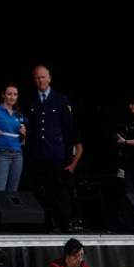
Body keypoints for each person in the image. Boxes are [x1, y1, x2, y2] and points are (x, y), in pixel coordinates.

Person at [24, 65, 77, 231]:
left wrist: (68, 156)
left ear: (49, 78)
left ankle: (64, 223)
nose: (40, 80)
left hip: (55, 152)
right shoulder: (30, 99)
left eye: (43, 77)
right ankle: (43, 223)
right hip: (37, 153)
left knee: (58, 190)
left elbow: (68, 128)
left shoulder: (61, 99)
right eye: (37, 78)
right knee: (38, 190)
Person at [0, 84, 27, 192]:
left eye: (15, 94)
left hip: (17, 155)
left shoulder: (18, 114)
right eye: (9, 94)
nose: (12, 97)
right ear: (3, 95)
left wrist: (23, 134)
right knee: (0, 191)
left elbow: (22, 143)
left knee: (13, 191)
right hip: (1, 154)